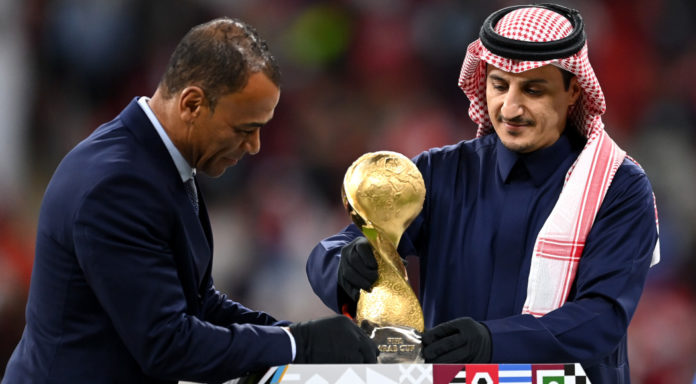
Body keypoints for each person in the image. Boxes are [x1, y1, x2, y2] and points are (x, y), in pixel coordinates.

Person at [2, 17, 376, 384]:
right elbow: (166, 344)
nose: (255, 146)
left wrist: (299, 336)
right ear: (193, 104)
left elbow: (200, 305)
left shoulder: (151, 160)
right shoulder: (117, 185)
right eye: (245, 129)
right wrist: (297, 345)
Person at [306, 4, 660, 383]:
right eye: (499, 85)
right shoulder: (438, 173)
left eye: (533, 89)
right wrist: (345, 265)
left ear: (573, 90)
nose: (510, 107)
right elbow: (335, 250)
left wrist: (492, 344)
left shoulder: (617, 187)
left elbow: (601, 318)